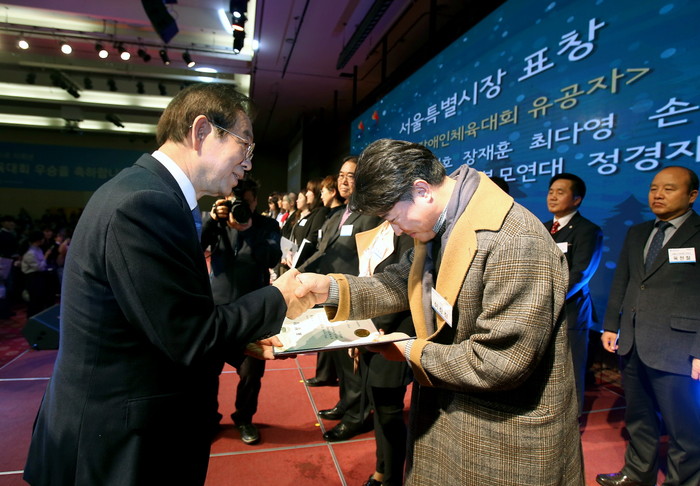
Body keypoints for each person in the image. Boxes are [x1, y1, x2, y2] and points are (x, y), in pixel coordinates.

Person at [23, 83, 312, 486]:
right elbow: (188, 337)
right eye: (245, 145)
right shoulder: (144, 203)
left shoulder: (148, 193)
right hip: (116, 447)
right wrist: (278, 297)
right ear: (201, 131)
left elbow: (161, 317)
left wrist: (240, 338)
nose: (248, 164)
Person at [296, 139, 584, 485]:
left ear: (422, 190)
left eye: (393, 218)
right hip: (454, 410)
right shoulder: (445, 220)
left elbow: (501, 362)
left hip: (503, 434)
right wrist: (328, 289)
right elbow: (401, 282)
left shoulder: (515, 240)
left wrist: (408, 350)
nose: (397, 230)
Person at [596, 166, 700, 486]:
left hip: (680, 346)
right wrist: (611, 325)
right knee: (638, 416)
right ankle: (637, 474)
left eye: (669, 189)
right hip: (633, 342)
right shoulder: (639, 232)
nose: (658, 195)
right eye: (654, 188)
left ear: (692, 195)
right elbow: (623, 281)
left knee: (683, 427)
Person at [299, 156, 382, 442]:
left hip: (354, 296)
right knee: (340, 357)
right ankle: (347, 402)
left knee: (354, 360)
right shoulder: (338, 215)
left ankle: (358, 416)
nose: (344, 181)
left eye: (351, 175)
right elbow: (322, 252)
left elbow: (371, 261)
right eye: (341, 175)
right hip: (332, 296)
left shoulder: (371, 215)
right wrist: (298, 271)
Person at [202, 178, 282, 445]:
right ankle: (209, 418)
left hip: (252, 314)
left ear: (255, 201)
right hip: (217, 309)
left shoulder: (268, 226)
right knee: (207, 372)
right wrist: (212, 220)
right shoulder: (218, 222)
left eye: (247, 203)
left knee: (251, 374)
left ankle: (244, 418)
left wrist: (248, 231)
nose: (241, 208)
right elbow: (197, 246)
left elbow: (271, 258)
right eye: (236, 202)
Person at [355, 221, 414, 486]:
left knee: (389, 410)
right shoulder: (382, 229)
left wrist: (370, 329)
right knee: (379, 406)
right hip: (372, 330)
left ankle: (391, 477)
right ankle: (381, 469)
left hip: (393, 334)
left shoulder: (408, 231)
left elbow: (402, 287)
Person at [544, 172, 603, 416]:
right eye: (551, 192)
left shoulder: (588, 230)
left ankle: (572, 419)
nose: (553, 197)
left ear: (577, 199)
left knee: (571, 368)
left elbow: (580, 274)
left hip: (571, 312)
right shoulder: (542, 228)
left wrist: (547, 298)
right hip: (541, 310)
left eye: (560, 192)